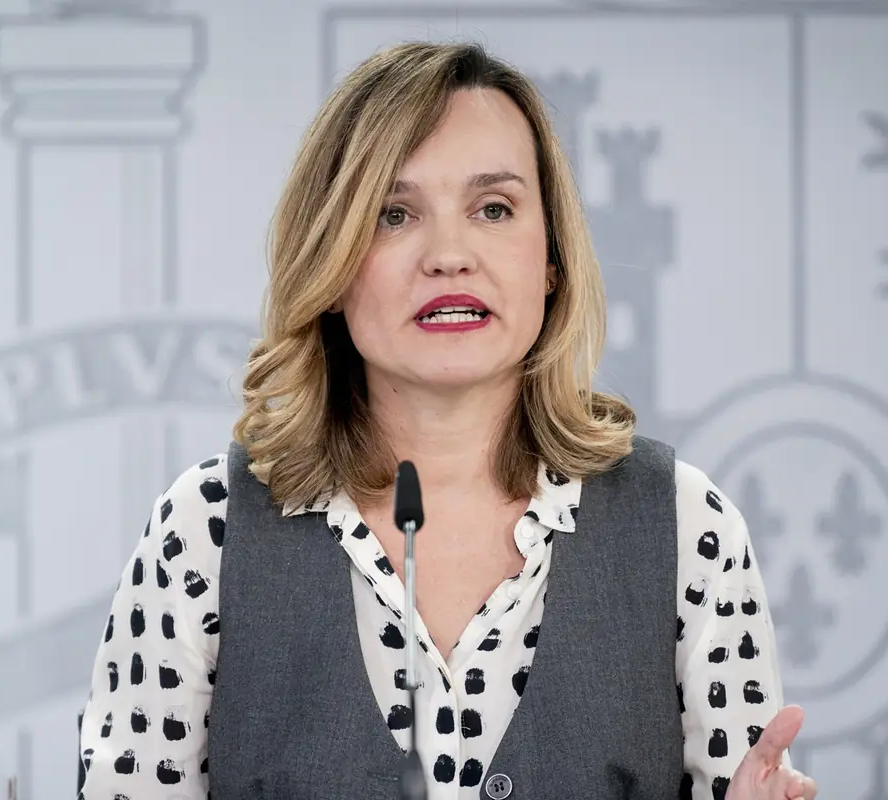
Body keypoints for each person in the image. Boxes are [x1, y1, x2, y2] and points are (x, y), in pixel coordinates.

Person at [76, 40, 818, 800]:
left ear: (552, 259)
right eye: (394, 215)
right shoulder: (205, 531)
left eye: (493, 208)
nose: (449, 254)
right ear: (329, 266)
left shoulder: (685, 525)